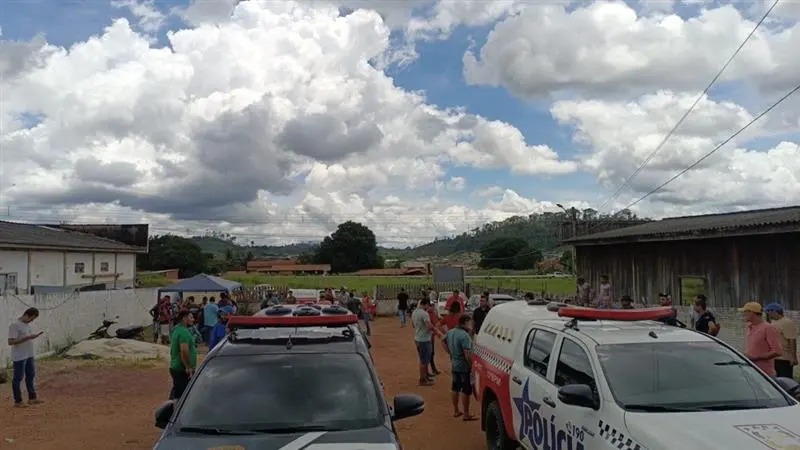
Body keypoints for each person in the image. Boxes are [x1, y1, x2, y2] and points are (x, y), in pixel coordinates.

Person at [8, 307, 44, 407]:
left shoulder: (26, 325)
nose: (32, 321)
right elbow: (10, 342)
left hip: (29, 354)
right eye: (32, 318)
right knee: (18, 378)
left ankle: (32, 398)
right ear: (27, 315)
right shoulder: (15, 325)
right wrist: (27, 338)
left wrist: (32, 336)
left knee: (30, 376)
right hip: (19, 356)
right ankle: (18, 401)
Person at [443, 313, 476, 421]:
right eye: (470, 322)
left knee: (455, 388)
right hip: (463, 366)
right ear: (466, 322)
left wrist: (450, 352)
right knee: (466, 390)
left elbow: (443, 341)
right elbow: (467, 354)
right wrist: (471, 367)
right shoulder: (464, 335)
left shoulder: (451, 332)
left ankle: (456, 410)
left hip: (454, 364)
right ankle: (466, 414)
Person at [740, 302, 782, 377]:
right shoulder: (749, 327)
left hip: (765, 375)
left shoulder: (768, 328)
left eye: (745, 312)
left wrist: (756, 358)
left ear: (752, 312)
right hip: (751, 372)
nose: (743, 314)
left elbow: (777, 351)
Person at [169, 310, 198, 400]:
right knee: (183, 397)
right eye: (191, 317)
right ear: (184, 319)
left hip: (177, 368)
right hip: (182, 370)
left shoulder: (177, 330)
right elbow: (184, 351)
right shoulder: (184, 332)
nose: (193, 320)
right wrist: (188, 367)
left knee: (177, 393)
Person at [765, 303, 797, 378]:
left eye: (768, 312)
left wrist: (793, 357)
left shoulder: (787, 322)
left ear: (774, 311)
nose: (768, 314)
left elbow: (792, 340)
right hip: (774, 357)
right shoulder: (773, 322)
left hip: (784, 358)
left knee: (785, 379)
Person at [411, 298, 439, 386]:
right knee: (424, 360)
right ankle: (423, 379)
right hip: (424, 339)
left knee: (424, 359)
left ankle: (425, 375)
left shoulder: (414, 312)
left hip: (418, 337)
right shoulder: (424, 313)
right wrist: (436, 331)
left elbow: (413, 325)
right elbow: (429, 325)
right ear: (425, 304)